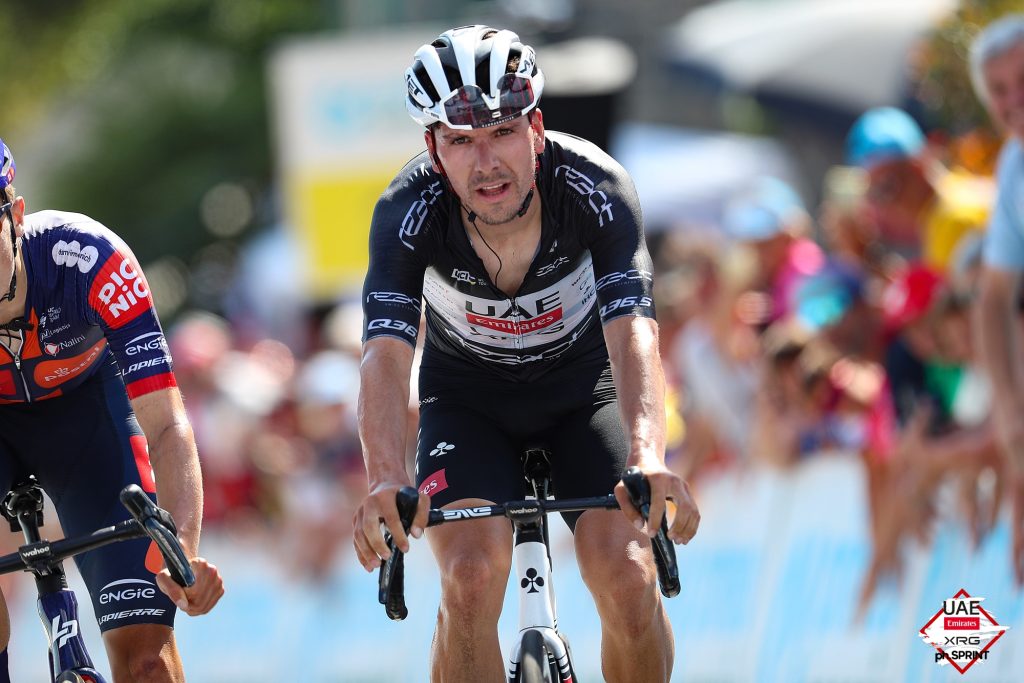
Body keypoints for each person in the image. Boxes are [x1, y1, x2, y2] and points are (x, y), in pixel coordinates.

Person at [352, 25, 699, 682]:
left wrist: (648, 454)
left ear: (536, 127)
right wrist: (384, 477)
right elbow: (386, 355)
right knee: (469, 577)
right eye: (461, 140)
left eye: (503, 132)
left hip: (584, 391)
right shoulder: (406, 210)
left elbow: (634, 331)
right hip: (467, 404)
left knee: (628, 575)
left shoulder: (595, 186)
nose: (486, 162)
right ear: (433, 149)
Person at [0, 138, 224, 681]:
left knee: (147, 663)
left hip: (86, 418)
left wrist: (184, 549)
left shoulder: (87, 259)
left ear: (16, 215)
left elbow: (166, 424)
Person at [970, 13, 1024, 585]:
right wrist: (1009, 414)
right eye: (1000, 90)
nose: (1014, 101)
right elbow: (992, 300)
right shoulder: (1014, 164)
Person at [845, 106, 992, 272]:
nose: (884, 205)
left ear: (918, 165)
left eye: (887, 187)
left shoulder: (951, 222)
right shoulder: (959, 187)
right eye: (873, 192)